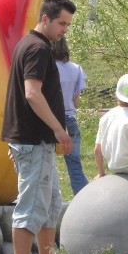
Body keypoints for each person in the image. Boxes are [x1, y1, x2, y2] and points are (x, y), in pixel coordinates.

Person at [1, 0, 75, 254]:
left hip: (33, 142)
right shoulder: (38, 48)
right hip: (34, 141)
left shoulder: (28, 44)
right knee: (31, 207)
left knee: (51, 205)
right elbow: (32, 93)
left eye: (67, 25)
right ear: (45, 18)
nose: (64, 30)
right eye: (61, 24)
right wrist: (58, 129)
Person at [52, 36, 89, 195]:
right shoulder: (77, 69)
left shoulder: (49, 67)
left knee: (47, 165)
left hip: (51, 119)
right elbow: (75, 102)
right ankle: (84, 201)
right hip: (70, 119)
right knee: (75, 165)